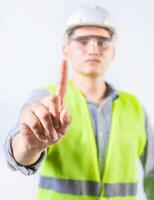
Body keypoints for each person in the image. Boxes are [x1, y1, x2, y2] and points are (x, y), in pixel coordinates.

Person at [4, 5, 154, 200]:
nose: (93, 48)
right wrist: (31, 145)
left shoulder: (134, 107)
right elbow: (17, 154)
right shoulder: (45, 98)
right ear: (66, 49)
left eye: (102, 42)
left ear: (113, 52)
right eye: (82, 41)